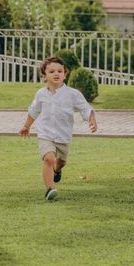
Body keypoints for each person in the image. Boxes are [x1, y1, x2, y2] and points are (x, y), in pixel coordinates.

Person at [19, 56, 98, 200]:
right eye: (52, 71)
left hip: (63, 136)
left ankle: (57, 170)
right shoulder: (41, 94)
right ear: (44, 75)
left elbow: (85, 107)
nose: (56, 74)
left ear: (65, 74)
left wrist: (91, 119)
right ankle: (50, 189)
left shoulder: (73, 94)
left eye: (60, 71)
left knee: (60, 162)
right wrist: (26, 126)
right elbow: (33, 111)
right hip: (46, 134)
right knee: (49, 159)